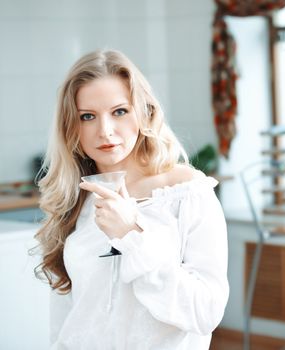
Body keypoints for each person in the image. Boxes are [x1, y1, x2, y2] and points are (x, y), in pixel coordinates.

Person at [33, 49, 229, 349]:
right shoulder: (73, 199)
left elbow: (204, 313)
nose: (105, 131)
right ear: (72, 127)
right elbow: (65, 319)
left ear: (144, 112)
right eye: (88, 116)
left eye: (119, 111)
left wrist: (131, 235)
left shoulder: (188, 194)